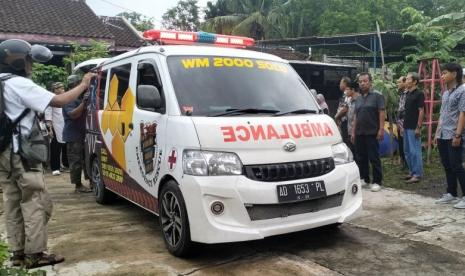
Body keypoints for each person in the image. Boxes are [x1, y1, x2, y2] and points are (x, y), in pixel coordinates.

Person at [0, 39, 94, 268]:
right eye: (29, 61)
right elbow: (60, 101)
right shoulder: (18, 83)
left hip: (4, 153)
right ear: (18, 61)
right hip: (23, 152)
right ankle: (35, 254)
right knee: (36, 202)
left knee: (12, 203)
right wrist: (83, 84)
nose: (31, 66)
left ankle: (18, 253)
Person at [435, 63, 465, 208]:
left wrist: (458, 135)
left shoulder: (463, 90)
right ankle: (451, 193)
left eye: (445, 73)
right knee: (447, 165)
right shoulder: (446, 93)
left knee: (456, 165)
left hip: (454, 134)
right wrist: (437, 133)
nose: (442, 76)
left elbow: (462, 114)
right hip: (442, 134)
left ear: (454, 74)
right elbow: (442, 114)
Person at [351, 72, 385, 192]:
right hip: (360, 132)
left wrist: (381, 129)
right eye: (360, 82)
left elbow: (381, 112)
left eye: (365, 81)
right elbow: (356, 116)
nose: (362, 83)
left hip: (372, 131)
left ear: (370, 82)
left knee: (374, 157)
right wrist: (353, 132)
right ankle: (365, 179)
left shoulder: (377, 96)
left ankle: (377, 181)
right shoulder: (358, 98)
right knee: (361, 157)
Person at [63, 75, 92, 193]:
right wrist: (84, 103)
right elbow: (74, 115)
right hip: (73, 135)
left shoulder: (80, 97)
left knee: (87, 159)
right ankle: (78, 185)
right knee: (76, 161)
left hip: (84, 134)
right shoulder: (68, 99)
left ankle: (91, 181)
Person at [403, 73, 424, 183]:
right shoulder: (408, 94)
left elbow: (421, 111)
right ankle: (412, 171)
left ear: (415, 81)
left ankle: (418, 174)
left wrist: (418, 127)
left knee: (415, 151)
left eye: (407, 79)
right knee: (407, 151)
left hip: (413, 127)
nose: (406, 81)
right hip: (406, 126)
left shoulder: (419, 94)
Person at [45, 82, 68, 176]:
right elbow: (48, 115)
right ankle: (55, 167)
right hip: (55, 126)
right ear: (55, 90)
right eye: (60, 88)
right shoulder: (51, 100)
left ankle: (65, 165)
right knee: (55, 147)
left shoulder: (66, 98)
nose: (63, 90)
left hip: (65, 125)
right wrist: (50, 129)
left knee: (65, 146)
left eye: (63, 88)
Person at [396, 76, 408, 168]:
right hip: (400, 122)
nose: (397, 84)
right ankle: (403, 161)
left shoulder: (408, 94)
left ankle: (408, 163)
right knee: (401, 142)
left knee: (406, 143)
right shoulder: (401, 94)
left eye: (399, 82)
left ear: (405, 82)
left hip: (406, 122)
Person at [335, 77, 351, 145]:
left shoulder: (347, 94)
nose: (339, 84)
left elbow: (345, 108)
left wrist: (336, 116)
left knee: (346, 142)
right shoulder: (345, 93)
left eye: (340, 83)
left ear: (345, 83)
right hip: (343, 122)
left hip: (346, 122)